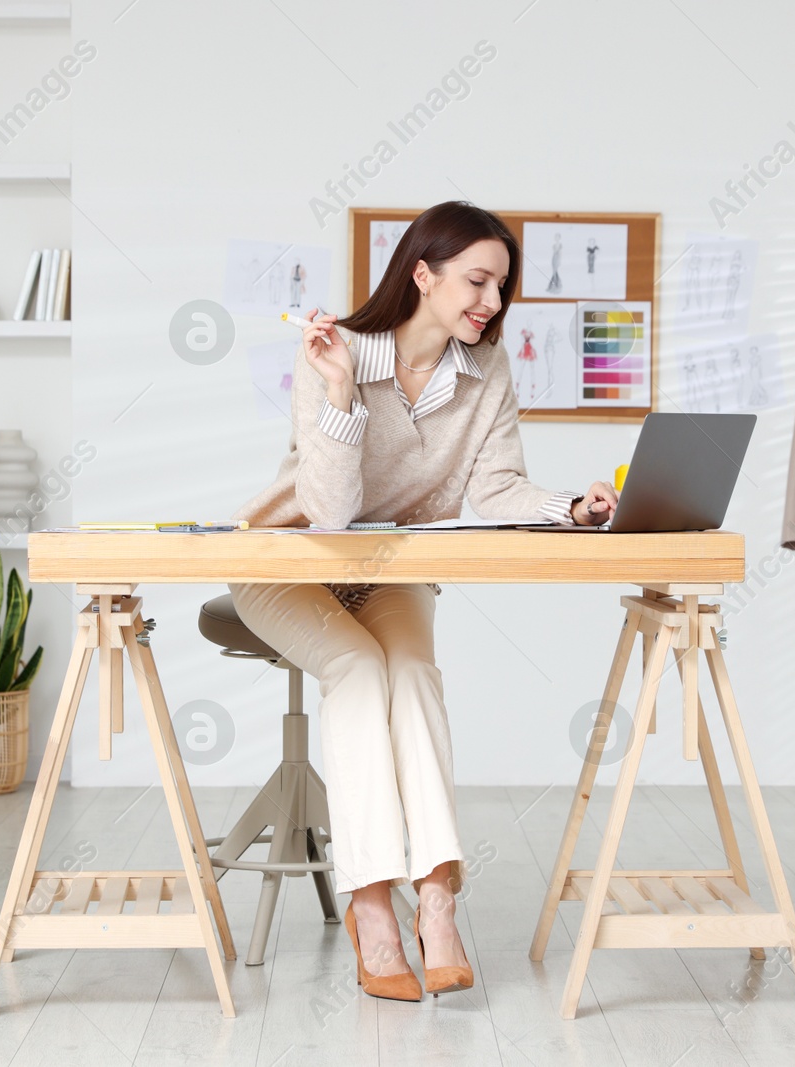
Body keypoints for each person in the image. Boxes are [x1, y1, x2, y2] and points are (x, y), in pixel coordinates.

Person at [229, 201, 617, 1002]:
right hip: (287, 564)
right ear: (422, 274)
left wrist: (569, 509)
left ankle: (434, 897)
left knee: (409, 670)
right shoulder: (336, 353)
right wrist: (340, 390)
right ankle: (374, 902)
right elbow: (330, 512)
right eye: (478, 280)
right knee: (360, 670)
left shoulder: (486, 372)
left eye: (502, 287)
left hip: (393, 566)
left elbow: (497, 486)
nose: (492, 301)